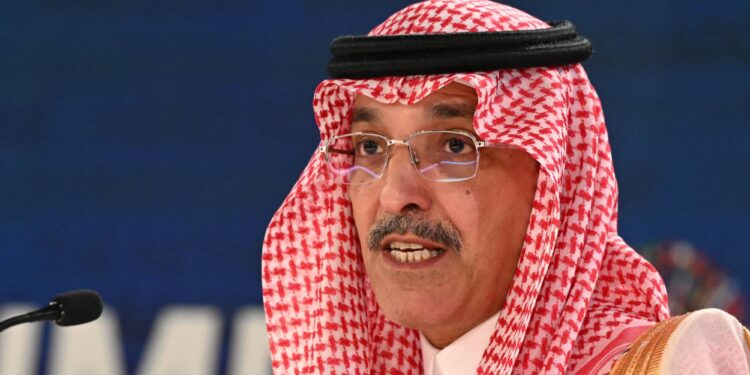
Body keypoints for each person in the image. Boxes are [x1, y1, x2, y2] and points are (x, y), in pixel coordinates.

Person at [262, 1, 749, 373]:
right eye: (370, 146)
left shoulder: (672, 363)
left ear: (551, 185)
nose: (395, 194)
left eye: (454, 145)